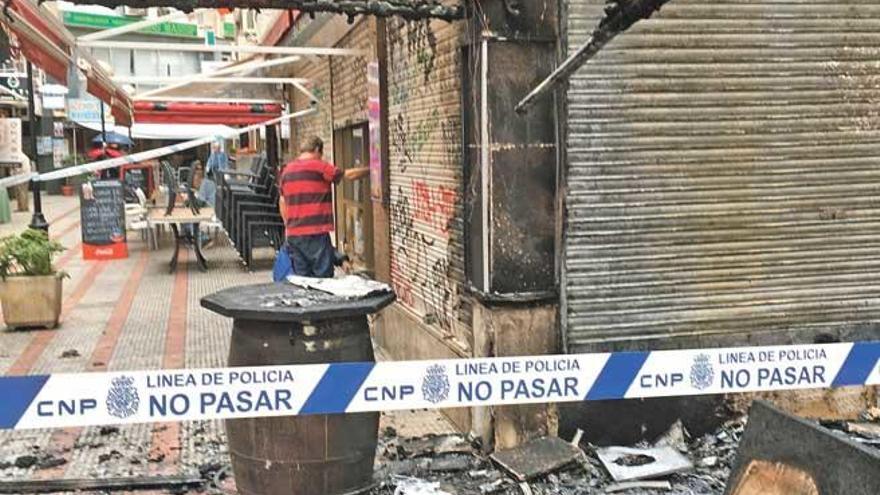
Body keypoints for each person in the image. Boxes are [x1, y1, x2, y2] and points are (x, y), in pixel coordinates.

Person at [279, 136, 368, 278]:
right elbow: (349, 175)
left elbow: (282, 201)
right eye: (321, 154)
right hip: (316, 233)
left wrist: (288, 226)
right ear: (316, 150)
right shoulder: (319, 166)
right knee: (323, 278)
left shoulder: (286, 171)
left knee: (303, 280)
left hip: (294, 235)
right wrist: (372, 169)